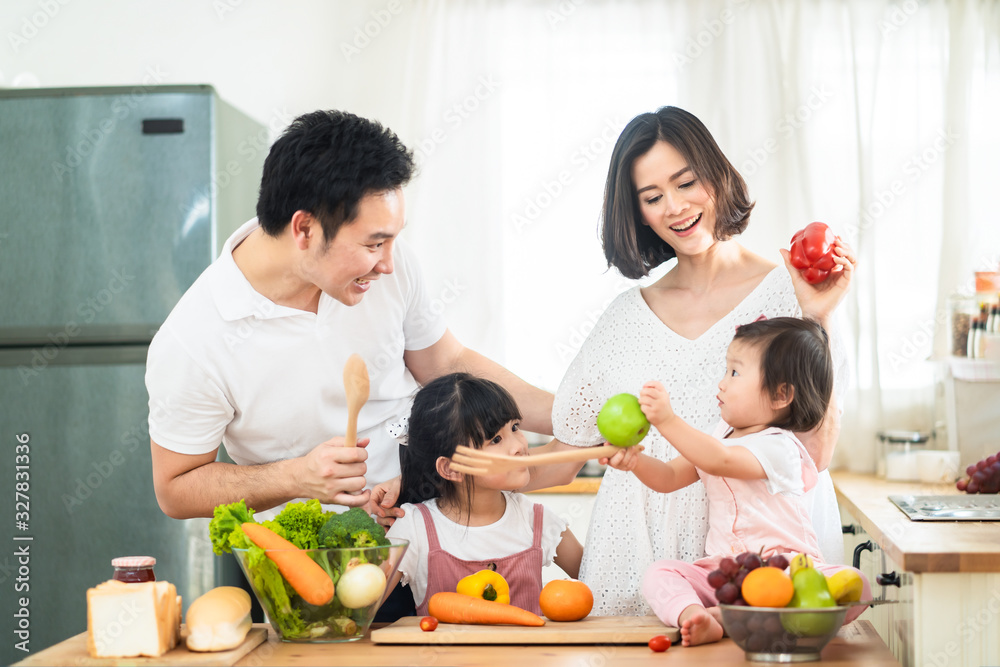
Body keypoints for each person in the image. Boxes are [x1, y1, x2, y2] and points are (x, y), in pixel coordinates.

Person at [518, 106, 856, 616]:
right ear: (638, 213)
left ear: (716, 175)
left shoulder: (793, 296)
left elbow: (817, 453)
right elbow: (568, 451)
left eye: (686, 182)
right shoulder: (625, 317)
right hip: (636, 548)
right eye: (653, 197)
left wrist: (818, 320)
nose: (674, 207)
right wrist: (477, 476)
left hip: (757, 557)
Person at [145, 109, 553, 524]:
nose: (389, 264)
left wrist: (575, 417)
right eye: (375, 243)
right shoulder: (194, 340)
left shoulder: (383, 266)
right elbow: (175, 489)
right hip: (316, 568)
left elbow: (447, 365)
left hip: (429, 533)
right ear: (304, 229)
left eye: (393, 239)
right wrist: (295, 477)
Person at [606, 318, 869, 645]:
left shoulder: (781, 447)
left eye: (734, 373)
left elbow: (721, 460)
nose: (722, 384)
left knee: (854, 582)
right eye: (725, 370)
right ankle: (698, 617)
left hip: (784, 571)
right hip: (725, 573)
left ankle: (763, 616)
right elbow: (669, 477)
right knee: (660, 573)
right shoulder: (719, 437)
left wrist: (668, 420)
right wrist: (634, 461)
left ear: (780, 394)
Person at [384, 373, 583, 615]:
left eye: (515, 427)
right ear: (451, 469)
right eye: (496, 439)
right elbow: (362, 605)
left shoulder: (536, 519)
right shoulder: (413, 528)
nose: (519, 446)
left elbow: (601, 582)